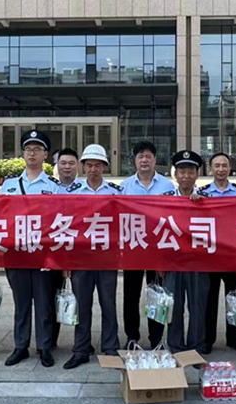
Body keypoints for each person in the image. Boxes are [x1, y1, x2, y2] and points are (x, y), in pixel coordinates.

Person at [0, 130, 66, 367]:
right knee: (21, 303)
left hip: (43, 254)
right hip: (16, 254)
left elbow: (61, 219)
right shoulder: (9, 185)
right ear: (23, 153)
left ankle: (44, 346)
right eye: (28, 149)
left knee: (44, 302)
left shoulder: (54, 187)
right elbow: (0, 216)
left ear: (46, 155)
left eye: (37, 149)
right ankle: (20, 346)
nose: (32, 153)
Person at [62, 144, 122, 369]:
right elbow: (64, 227)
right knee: (82, 305)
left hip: (107, 258)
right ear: (83, 167)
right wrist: (66, 261)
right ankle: (81, 349)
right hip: (81, 258)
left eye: (98, 165)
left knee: (108, 304)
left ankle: (111, 347)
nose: (93, 169)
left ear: (104, 167)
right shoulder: (73, 192)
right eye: (89, 165)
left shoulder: (116, 193)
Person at [120, 141, 175, 348]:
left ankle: (156, 337)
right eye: (140, 156)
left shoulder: (167, 186)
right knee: (130, 295)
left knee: (157, 294)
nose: (144, 160)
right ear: (134, 160)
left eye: (148, 156)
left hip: (158, 248)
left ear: (154, 159)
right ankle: (132, 336)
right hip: (133, 246)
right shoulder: (125, 186)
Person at [197, 152, 236, 354]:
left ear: (230, 168)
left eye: (224, 165)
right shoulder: (201, 194)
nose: (220, 169)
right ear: (210, 169)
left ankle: (235, 339)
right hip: (209, 256)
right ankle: (207, 339)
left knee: (234, 298)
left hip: (232, 255)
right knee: (208, 300)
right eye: (216, 165)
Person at [160, 150, 210, 353]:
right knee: (174, 306)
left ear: (197, 174)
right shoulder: (164, 200)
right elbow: (157, 232)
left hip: (199, 263)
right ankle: (175, 345)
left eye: (190, 171)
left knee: (198, 307)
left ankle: (196, 346)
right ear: (175, 174)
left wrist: (203, 206)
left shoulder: (207, 200)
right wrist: (159, 263)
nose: (186, 176)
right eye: (182, 171)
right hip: (172, 262)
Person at [50, 147, 81, 348]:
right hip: (52, 252)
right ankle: (50, 341)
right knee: (51, 297)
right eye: (63, 163)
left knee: (81, 299)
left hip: (79, 253)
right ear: (57, 165)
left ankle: (81, 343)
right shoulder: (49, 188)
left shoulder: (84, 189)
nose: (67, 167)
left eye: (71, 163)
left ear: (77, 166)